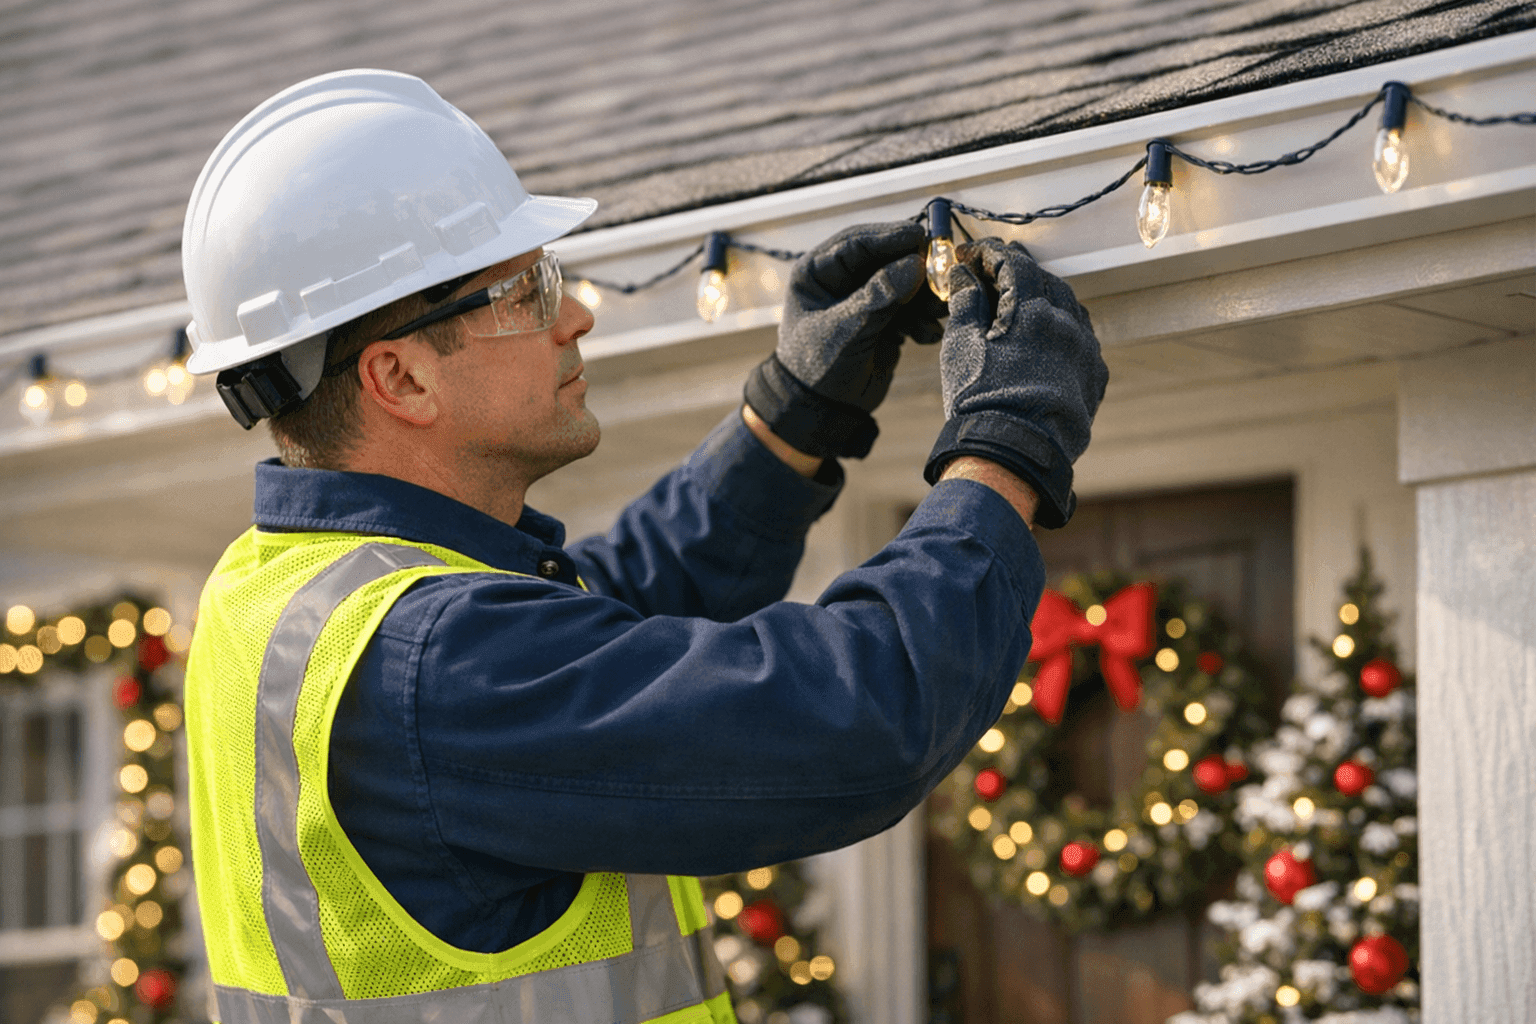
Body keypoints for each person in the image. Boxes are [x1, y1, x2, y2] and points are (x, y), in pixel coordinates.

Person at [180, 69, 1106, 1024]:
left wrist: (792, 417)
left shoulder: (278, 592)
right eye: (523, 291)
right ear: (402, 379)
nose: (574, 315)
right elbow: (850, 719)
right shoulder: (430, 663)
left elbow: (607, 615)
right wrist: (1006, 446)